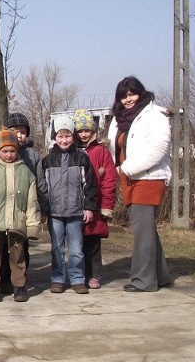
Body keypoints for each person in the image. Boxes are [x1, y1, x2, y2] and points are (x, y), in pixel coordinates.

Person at [107, 76, 173, 292]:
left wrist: (126, 168)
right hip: (130, 178)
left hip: (149, 178)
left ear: (141, 93)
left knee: (142, 232)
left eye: (132, 94)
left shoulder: (154, 116)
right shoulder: (119, 118)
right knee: (147, 230)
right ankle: (160, 275)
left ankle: (144, 281)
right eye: (123, 96)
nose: (128, 99)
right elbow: (114, 147)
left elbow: (157, 149)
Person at [0, 127, 41, 303]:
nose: (9, 154)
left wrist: (32, 225)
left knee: (18, 258)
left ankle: (19, 287)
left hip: (18, 223)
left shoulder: (25, 172)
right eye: (5, 151)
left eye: (12, 151)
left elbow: (31, 201)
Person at [37, 115, 98, 295]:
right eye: (60, 136)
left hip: (76, 212)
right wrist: (44, 209)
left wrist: (89, 207)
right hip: (54, 213)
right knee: (56, 249)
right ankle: (57, 279)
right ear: (54, 137)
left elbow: (90, 185)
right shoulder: (46, 160)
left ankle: (77, 279)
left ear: (73, 137)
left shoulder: (82, 158)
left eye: (68, 136)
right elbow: (42, 187)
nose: (64, 140)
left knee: (76, 249)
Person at [0, 112, 43, 292]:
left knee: (20, 245)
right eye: (14, 131)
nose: (19, 135)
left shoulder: (32, 155)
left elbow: (40, 182)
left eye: (22, 132)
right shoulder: (0, 153)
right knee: (1, 246)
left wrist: (41, 207)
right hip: (2, 207)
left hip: (23, 207)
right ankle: (3, 278)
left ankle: (20, 277)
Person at [73, 109, 117, 289]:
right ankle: (79, 274)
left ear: (93, 131)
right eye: (80, 131)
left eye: (87, 131)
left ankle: (94, 275)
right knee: (77, 243)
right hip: (75, 204)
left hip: (95, 204)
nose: (84, 134)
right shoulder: (72, 151)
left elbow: (109, 180)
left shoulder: (101, 151)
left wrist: (106, 205)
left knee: (93, 242)